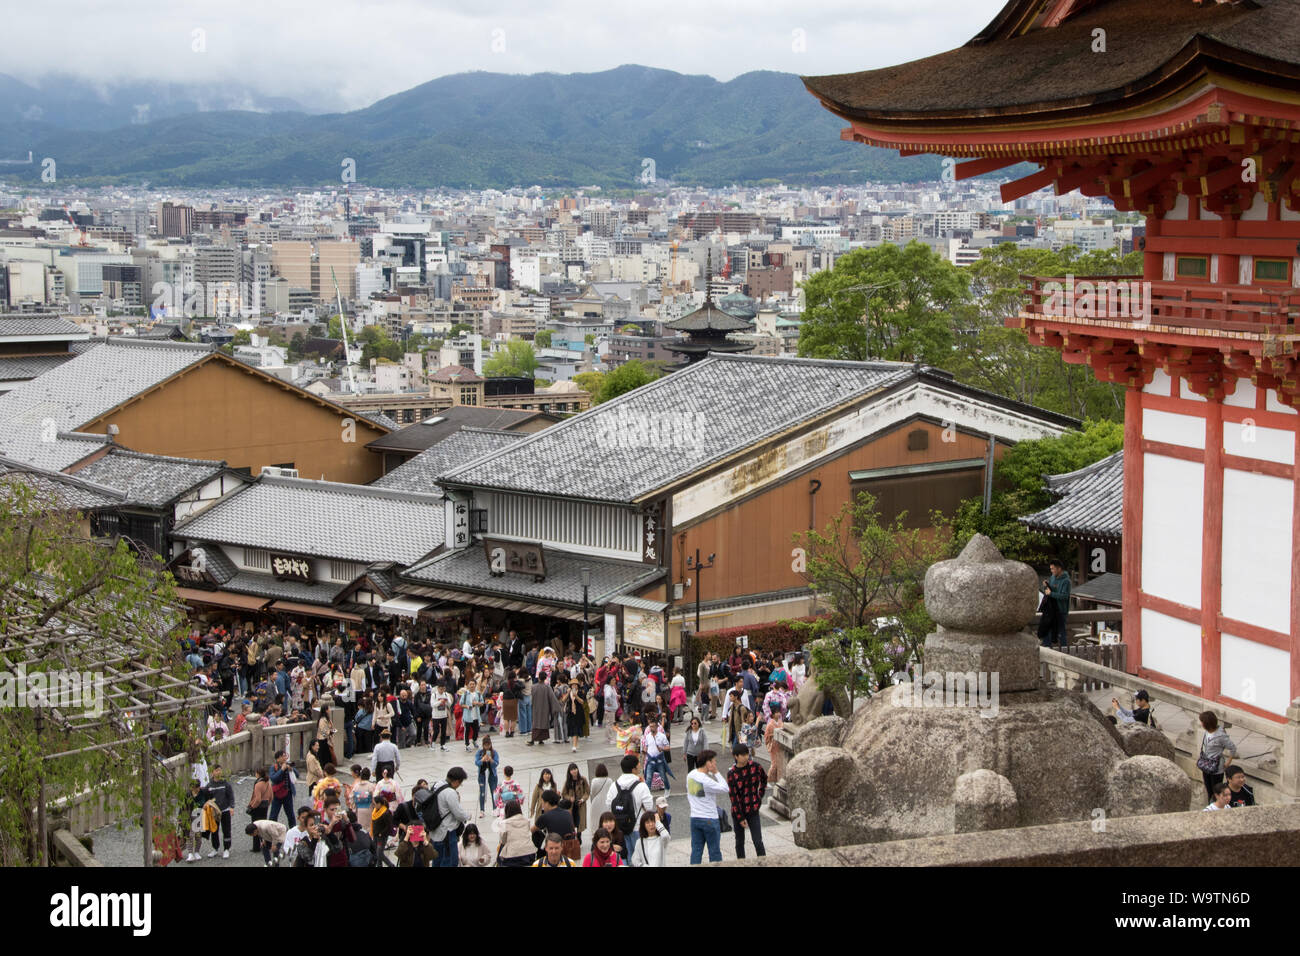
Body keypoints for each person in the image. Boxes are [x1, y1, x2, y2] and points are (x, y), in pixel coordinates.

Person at [686, 749, 731, 865]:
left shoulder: (690, 775)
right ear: (708, 763)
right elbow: (725, 788)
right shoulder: (706, 781)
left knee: (696, 850)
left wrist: (710, 772)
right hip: (709, 818)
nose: (715, 764)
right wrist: (716, 772)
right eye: (714, 762)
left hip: (695, 817)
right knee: (714, 851)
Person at [607, 753, 653, 859]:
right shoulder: (641, 785)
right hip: (637, 827)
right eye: (638, 765)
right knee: (641, 859)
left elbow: (609, 805)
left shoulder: (614, 785)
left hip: (619, 829)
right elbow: (649, 807)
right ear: (633, 769)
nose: (640, 766)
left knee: (624, 858)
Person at [727, 743, 768, 859]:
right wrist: (740, 817)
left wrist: (759, 796)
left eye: (747, 754)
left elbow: (764, 780)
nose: (745, 757)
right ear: (736, 756)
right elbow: (733, 797)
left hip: (753, 809)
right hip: (738, 811)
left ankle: (763, 862)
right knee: (739, 842)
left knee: (757, 840)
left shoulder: (756, 767)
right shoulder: (732, 774)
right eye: (742, 755)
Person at [430, 767, 470, 867]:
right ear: (456, 781)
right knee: (450, 861)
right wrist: (468, 815)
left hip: (435, 830)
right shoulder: (450, 792)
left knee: (437, 860)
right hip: (447, 832)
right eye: (460, 783)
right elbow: (459, 814)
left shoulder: (437, 784)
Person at [1198, 711, 1237, 804]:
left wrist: (1228, 762)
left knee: (1216, 791)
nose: (1201, 724)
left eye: (1202, 721)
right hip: (1206, 764)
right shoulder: (1207, 732)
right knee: (1209, 790)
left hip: (1216, 767)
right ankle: (1210, 806)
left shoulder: (1221, 736)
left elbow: (1233, 748)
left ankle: (1216, 807)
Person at [200, 765, 236, 858]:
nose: (219, 772)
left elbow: (231, 796)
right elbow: (206, 798)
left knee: (226, 830)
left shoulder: (226, 784)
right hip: (214, 812)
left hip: (225, 810)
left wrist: (232, 807)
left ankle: (226, 849)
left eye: (220, 770)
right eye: (217, 770)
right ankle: (215, 848)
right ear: (212, 772)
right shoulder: (209, 785)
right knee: (214, 830)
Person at [532, 789, 578, 860]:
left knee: (536, 834)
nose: (542, 805)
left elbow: (532, 830)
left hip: (555, 846)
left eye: (543, 802)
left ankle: (541, 859)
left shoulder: (545, 816)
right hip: (569, 847)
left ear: (547, 803)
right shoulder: (567, 813)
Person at [1042, 559, 1071, 649]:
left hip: (1061, 610)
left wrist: (1051, 594)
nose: (1051, 571)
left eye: (1053, 569)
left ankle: (1064, 650)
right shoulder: (1052, 577)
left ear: (1059, 568)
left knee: (1061, 632)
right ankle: (1047, 648)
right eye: (1050, 569)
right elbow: (1050, 590)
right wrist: (1046, 586)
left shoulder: (1066, 581)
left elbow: (1064, 596)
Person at [497, 801, 536, 867]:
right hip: (529, 852)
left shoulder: (504, 823)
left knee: (501, 848)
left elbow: (503, 841)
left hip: (512, 855)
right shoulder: (526, 821)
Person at [642, 718, 674, 794]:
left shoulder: (662, 736)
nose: (651, 728)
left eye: (653, 726)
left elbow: (668, 747)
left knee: (663, 776)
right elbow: (646, 746)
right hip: (650, 760)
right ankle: (647, 793)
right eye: (650, 726)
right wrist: (644, 752)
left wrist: (662, 748)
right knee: (648, 777)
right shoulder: (648, 736)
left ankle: (667, 789)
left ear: (657, 727)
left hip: (659, 759)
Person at [528, 675, 560, 746]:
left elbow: (531, 698)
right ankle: (540, 740)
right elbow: (552, 698)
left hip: (536, 708)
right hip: (545, 708)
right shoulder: (547, 687)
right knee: (543, 723)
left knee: (536, 724)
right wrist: (556, 708)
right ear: (545, 678)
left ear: (539, 678)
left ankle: (533, 740)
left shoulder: (533, 687)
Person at [246, 768, 273, 853]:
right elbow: (271, 796)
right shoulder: (268, 783)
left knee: (255, 827)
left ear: (258, 774)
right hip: (265, 807)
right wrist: (267, 804)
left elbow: (258, 799)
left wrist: (252, 806)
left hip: (257, 808)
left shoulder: (258, 784)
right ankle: (266, 845)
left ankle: (256, 847)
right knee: (263, 827)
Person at [268, 749, 296, 825]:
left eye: (285, 756)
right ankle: (271, 830)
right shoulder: (274, 767)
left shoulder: (288, 764)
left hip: (288, 793)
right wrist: (282, 770)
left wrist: (291, 769)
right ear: (278, 758)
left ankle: (293, 831)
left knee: (291, 815)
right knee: (273, 815)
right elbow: (273, 778)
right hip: (277, 794)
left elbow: (297, 774)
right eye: (283, 756)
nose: (285, 758)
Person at [562, 762, 590, 835]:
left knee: (579, 822)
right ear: (569, 772)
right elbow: (564, 793)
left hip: (580, 804)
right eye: (572, 770)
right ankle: (574, 837)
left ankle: (579, 836)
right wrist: (569, 798)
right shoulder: (568, 781)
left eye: (575, 769)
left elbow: (587, 792)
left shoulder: (583, 779)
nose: (574, 771)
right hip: (571, 806)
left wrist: (582, 799)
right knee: (572, 822)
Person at [474, 736, 500, 814]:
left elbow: (496, 763)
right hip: (482, 774)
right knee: (482, 792)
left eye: (488, 745)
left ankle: (495, 808)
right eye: (485, 745)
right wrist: (482, 759)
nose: (487, 747)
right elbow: (476, 763)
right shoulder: (479, 752)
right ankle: (482, 810)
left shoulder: (494, 752)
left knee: (494, 791)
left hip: (492, 774)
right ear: (483, 745)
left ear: (491, 744)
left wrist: (491, 760)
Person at [459, 678, 483, 753]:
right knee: (467, 730)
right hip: (467, 716)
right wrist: (468, 706)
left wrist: (477, 703)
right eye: (470, 684)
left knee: (476, 730)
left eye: (473, 684)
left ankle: (474, 740)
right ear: (468, 685)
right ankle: (467, 744)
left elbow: (482, 703)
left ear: (475, 685)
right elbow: (461, 704)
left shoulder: (478, 693)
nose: (472, 685)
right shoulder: (465, 694)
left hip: (476, 715)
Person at [763, 710, 786, 784]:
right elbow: (766, 736)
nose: (778, 713)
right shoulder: (770, 724)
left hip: (780, 745)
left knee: (780, 763)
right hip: (773, 745)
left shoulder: (781, 723)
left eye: (779, 712)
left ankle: (778, 779)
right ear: (772, 714)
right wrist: (773, 735)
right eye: (776, 712)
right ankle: (768, 779)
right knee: (774, 763)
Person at [430, 684, 453, 751]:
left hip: (444, 715)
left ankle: (443, 744)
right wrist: (440, 702)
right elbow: (432, 704)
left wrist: (446, 701)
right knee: (436, 730)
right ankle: (433, 743)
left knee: (443, 731)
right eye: (440, 689)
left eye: (443, 689)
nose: (441, 690)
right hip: (436, 716)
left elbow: (450, 704)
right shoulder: (434, 695)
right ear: (438, 688)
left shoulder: (446, 694)